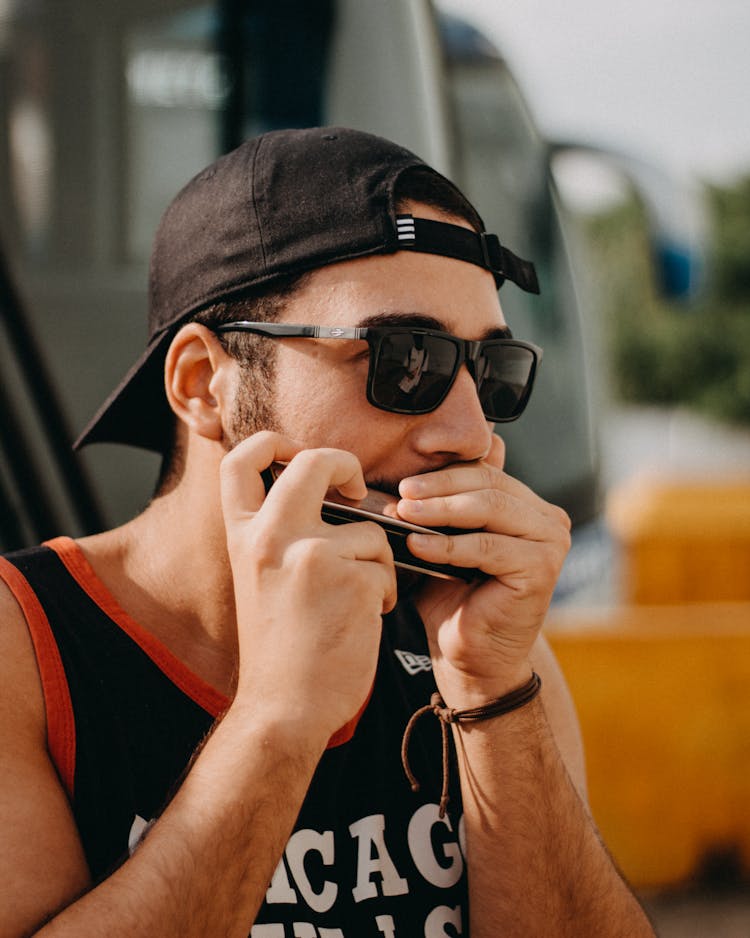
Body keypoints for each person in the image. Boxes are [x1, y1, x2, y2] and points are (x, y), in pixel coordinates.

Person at [0, 126, 654, 937]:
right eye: (405, 360)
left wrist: (491, 693)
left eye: (490, 371)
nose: (469, 433)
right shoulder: (25, 652)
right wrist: (279, 718)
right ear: (204, 382)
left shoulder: (477, 654)